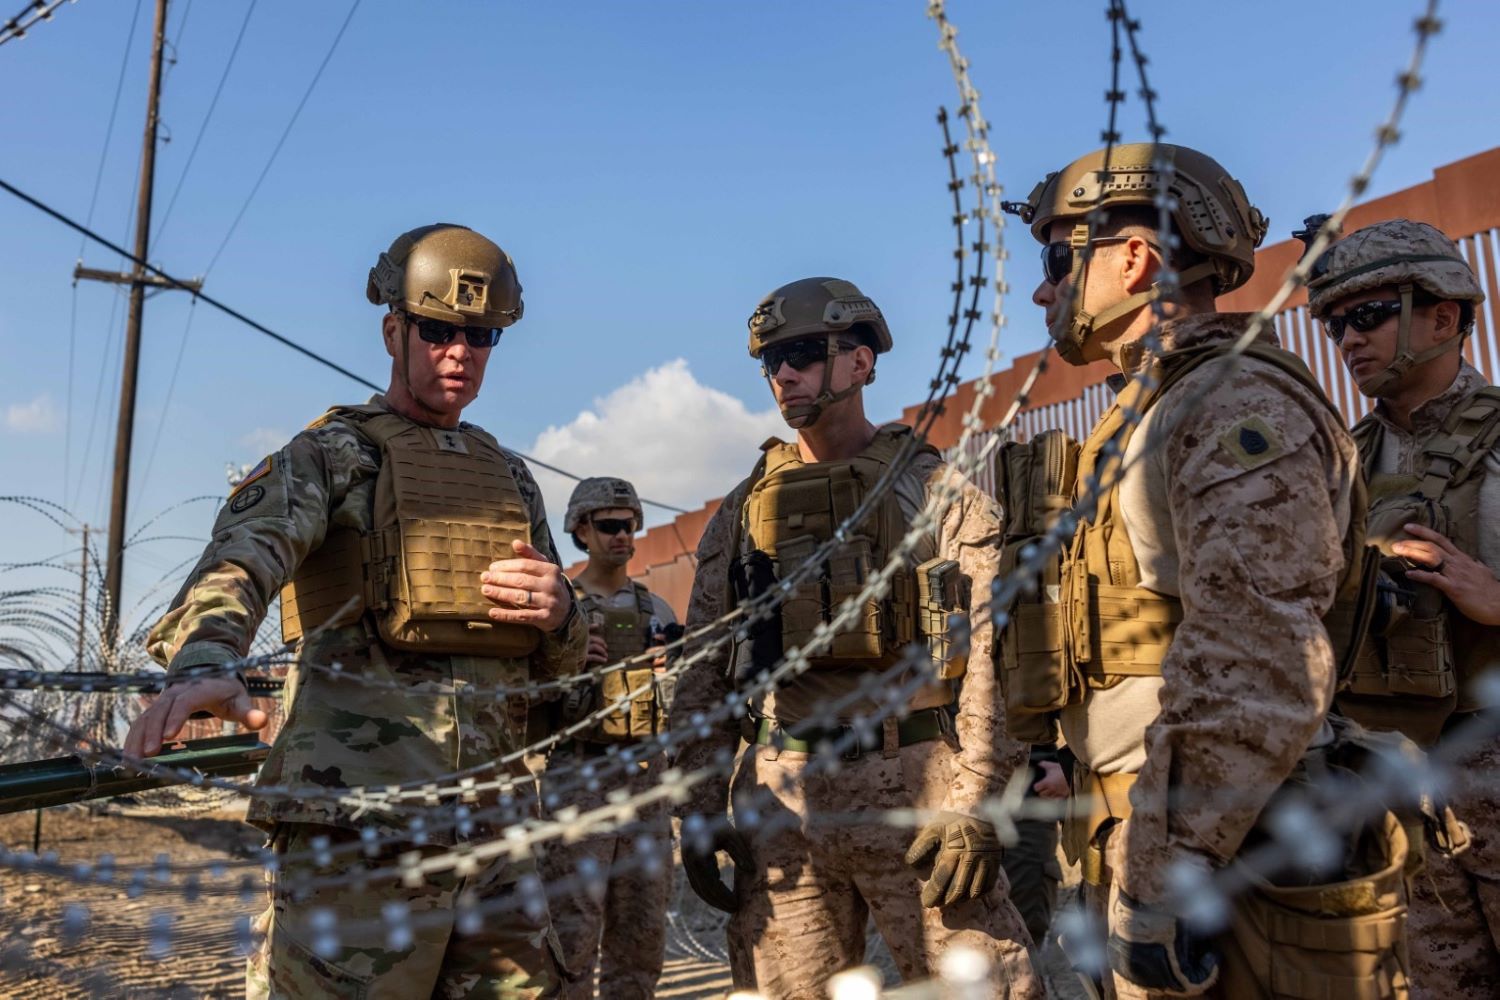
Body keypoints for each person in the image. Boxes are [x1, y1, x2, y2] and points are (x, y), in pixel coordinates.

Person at [123, 224, 586, 998]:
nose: (458, 354)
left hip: (497, 834)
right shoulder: (332, 456)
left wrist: (563, 615)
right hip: (360, 833)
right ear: (393, 330)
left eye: (479, 337)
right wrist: (208, 658)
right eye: (437, 331)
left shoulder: (510, 477)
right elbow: (244, 555)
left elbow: (561, 671)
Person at [1002, 144, 1406, 998]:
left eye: (1056, 258)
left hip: (1229, 855)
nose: (1043, 290)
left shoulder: (1226, 403)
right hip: (1167, 834)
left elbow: (1259, 654)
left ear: (1137, 256)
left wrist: (1165, 868)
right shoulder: (1153, 409)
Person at [669, 277, 1042, 998]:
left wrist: (975, 800)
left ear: (863, 362)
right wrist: (698, 802)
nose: (784, 373)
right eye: (772, 360)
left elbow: (997, 653)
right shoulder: (748, 507)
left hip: (916, 791)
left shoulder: (933, 491)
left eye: (805, 353)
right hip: (785, 803)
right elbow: (705, 661)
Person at [1308, 217, 1500, 1000]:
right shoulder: (1344, 464)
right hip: (1408, 791)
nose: (1347, 340)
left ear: (1443, 315)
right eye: (1334, 324)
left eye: (1368, 315)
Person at [537, 476, 676, 999]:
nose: (623, 536)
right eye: (610, 525)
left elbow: (686, 701)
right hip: (580, 777)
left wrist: (669, 670)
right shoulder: (559, 610)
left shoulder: (657, 611)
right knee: (572, 935)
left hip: (646, 779)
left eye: (630, 525)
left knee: (641, 934)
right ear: (581, 530)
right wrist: (569, 664)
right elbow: (527, 699)